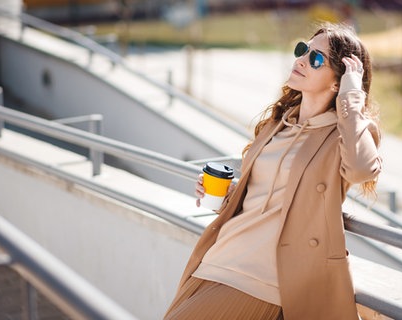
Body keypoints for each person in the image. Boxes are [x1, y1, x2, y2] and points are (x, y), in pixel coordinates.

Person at [164, 22, 382, 320]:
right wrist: (228, 194)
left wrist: (351, 100)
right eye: (303, 50)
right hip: (218, 257)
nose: (301, 60)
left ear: (338, 82)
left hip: (263, 278)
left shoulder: (346, 132)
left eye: (316, 59)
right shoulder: (278, 124)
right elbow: (266, 198)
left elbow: (361, 170)